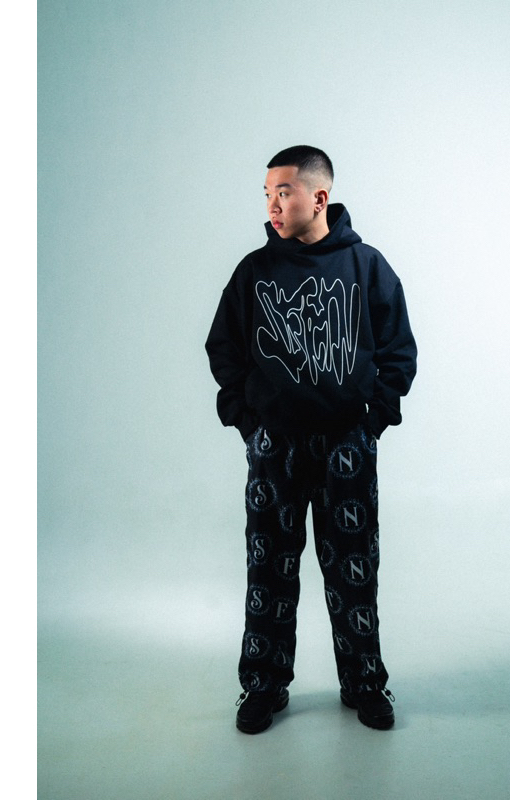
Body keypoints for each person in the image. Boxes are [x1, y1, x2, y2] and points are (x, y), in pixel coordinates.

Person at [205, 145, 417, 734]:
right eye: (266, 194)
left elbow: (399, 351)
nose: (272, 206)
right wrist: (248, 422)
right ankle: (263, 685)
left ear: (318, 197)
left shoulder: (367, 266)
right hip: (275, 447)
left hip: (346, 446)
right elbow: (222, 348)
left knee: (355, 569)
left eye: (284, 192)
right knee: (268, 571)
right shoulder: (253, 273)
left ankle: (365, 683)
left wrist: (372, 422)